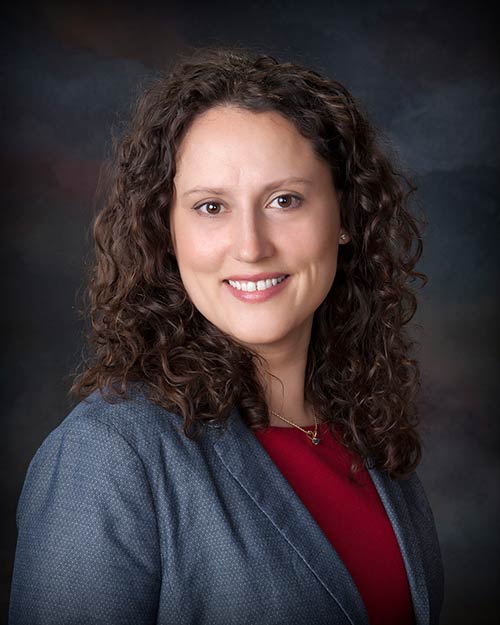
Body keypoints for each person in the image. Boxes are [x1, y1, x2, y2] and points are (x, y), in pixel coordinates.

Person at [9, 45, 444, 625]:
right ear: (165, 233)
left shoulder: (370, 434)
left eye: (284, 200)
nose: (251, 245)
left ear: (344, 216)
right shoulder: (110, 455)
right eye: (211, 206)